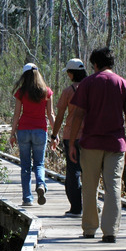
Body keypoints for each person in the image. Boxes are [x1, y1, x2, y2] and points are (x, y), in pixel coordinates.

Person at [68, 47, 126, 243]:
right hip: (116, 145)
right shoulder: (124, 84)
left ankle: (90, 229)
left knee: (89, 187)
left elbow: (78, 116)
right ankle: (110, 232)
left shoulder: (87, 84)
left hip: (90, 143)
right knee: (113, 187)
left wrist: (73, 143)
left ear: (95, 64)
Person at [9, 63, 57, 206]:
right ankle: (41, 185)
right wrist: (55, 134)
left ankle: (27, 199)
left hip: (23, 131)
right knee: (39, 164)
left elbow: (17, 114)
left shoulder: (21, 92)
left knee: (25, 166)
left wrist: (12, 134)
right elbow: (51, 114)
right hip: (40, 132)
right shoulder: (46, 92)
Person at [53, 58, 87, 216]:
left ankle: (76, 208)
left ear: (72, 74)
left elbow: (59, 116)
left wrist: (54, 134)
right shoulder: (91, 89)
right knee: (89, 172)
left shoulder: (68, 92)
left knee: (73, 171)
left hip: (70, 136)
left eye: (68, 72)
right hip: (90, 136)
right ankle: (90, 205)